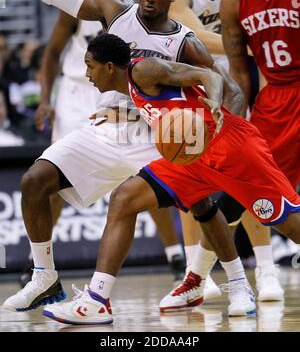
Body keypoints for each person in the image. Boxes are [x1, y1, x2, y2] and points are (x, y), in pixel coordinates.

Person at [3, 0, 249, 316]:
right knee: (35, 181)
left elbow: (226, 84)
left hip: (158, 135)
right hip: (107, 129)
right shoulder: (113, 11)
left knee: (201, 206)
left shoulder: (185, 41)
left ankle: (238, 284)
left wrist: (224, 128)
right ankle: (44, 276)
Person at [38, 32, 300, 325]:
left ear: (110, 67)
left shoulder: (143, 69)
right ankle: (97, 301)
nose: (86, 74)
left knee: (292, 226)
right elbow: (164, 105)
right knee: (124, 198)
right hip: (191, 156)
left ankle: (236, 285)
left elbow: (208, 75)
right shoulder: (131, 89)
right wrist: (124, 114)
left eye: (90, 66)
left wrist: (214, 100)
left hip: (233, 149)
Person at [19, 0, 187, 289]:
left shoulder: (178, 34)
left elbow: (200, 75)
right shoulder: (107, 8)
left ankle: (198, 265)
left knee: (196, 202)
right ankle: (42, 272)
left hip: (146, 120)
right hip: (87, 102)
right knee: (44, 180)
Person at [164, 0, 283, 304]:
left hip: (235, 81)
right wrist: (243, 39)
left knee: (248, 170)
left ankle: (266, 269)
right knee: (188, 172)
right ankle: (194, 273)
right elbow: (195, 35)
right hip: (192, 81)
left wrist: (246, 49)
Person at [218, 0, 300, 287]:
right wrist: (235, 121)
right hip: (275, 98)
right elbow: (238, 68)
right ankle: (198, 274)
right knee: (246, 186)